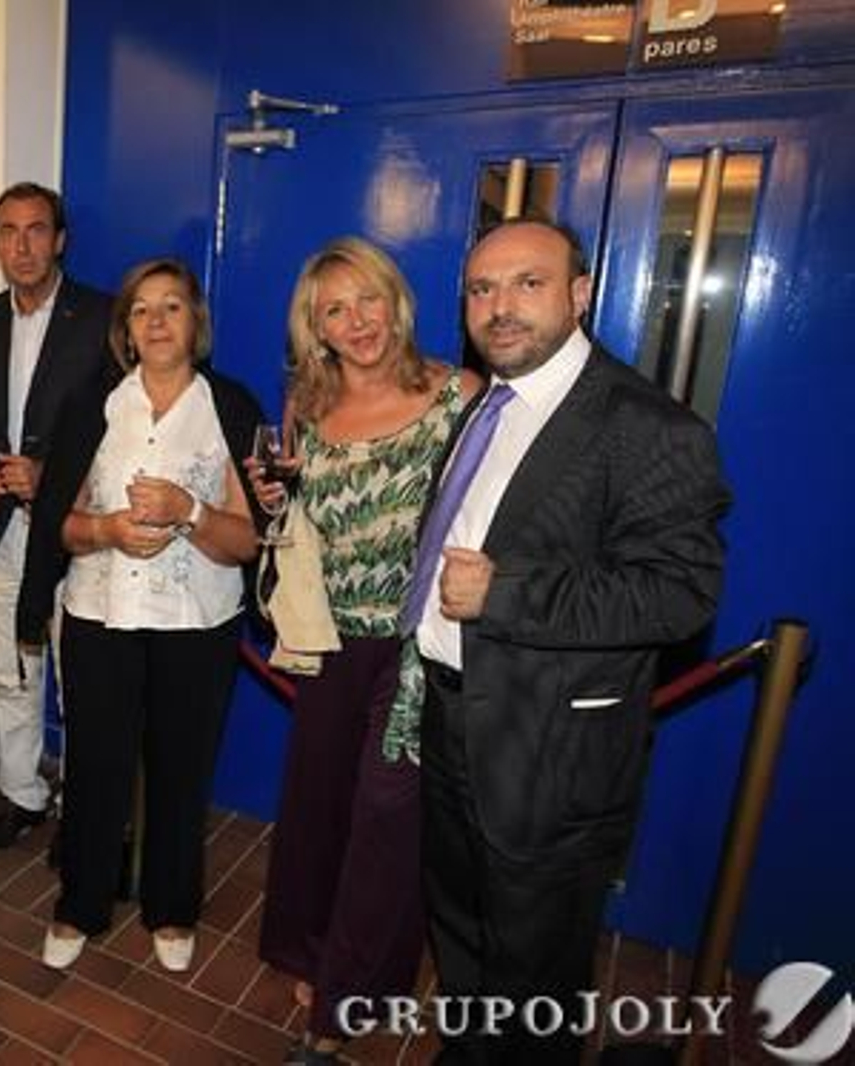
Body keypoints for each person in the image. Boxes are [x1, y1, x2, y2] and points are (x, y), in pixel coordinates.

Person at [414, 219, 728, 1064]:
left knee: (538, 972)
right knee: (461, 929)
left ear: (579, 294)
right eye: (482, 289)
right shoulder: (483, 403)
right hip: (449, 720)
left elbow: (680, 593)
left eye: (528, 283)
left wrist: (505, 593)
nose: (500, 307)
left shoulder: (648, 427)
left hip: (551, 754)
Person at [250, 238, 479, 1065]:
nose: (358, 323)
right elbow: (296, 527)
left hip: (416, 643)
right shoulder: (304, 408)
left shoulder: (460, 393)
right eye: (334, 310)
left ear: (396, 299)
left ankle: (346, 1002)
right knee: (318, 803)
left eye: (368, 300)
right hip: (328, 636)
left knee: (386, 816)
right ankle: (312, 950)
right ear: (315, 329)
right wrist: (275, 498)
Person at [17, 258, 261, 974]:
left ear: (196, 322)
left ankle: (173, 907)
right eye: (142, 310)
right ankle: (80, 905)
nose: (156, 322)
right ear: (125, 328)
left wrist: (188, 511)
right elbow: (57, 526)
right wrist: (107, 531)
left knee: (183, 773)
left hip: (198, 624)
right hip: (100, 616)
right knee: (94, 767)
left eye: (172, 308)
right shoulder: (91, 402)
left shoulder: (231, 407)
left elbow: (247, 540)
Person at [0, 183, 113, 853]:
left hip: (74, 530)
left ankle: (81, 811)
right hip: (0, 533)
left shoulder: (105, 317)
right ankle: (22, 794)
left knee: (78, 674)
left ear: (61, 240)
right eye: (7, 231)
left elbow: (127, 427)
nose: (21, 245)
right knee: (10, 673)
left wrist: (56, 480)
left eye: (36, 230)